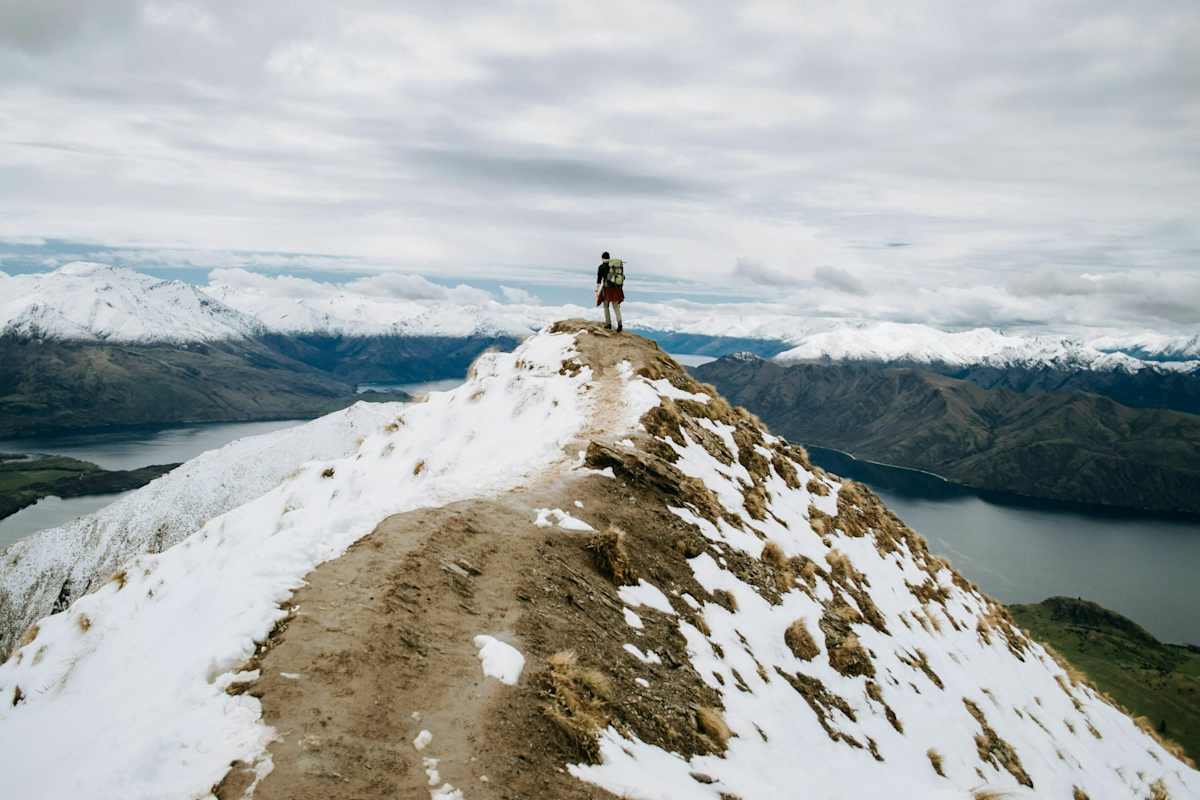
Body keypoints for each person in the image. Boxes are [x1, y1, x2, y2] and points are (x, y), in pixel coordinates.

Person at [595, 251, 625, 331]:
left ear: (602, 258)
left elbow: (599, 280)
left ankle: (608, 324)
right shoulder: (614, 265)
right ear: (609, 258)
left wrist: (597, 289)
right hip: (616, 289)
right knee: (616, 307)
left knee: (606, 305)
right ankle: (620, 325)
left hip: (607, 289)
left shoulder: (601, 267)